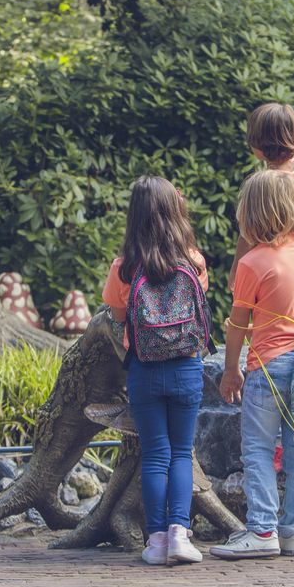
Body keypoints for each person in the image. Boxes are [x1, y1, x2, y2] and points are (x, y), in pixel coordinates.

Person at [212, 169, 294, 560]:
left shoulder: (253, 263)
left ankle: (261, 530)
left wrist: (231, 369)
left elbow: (238, 323)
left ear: (250, 213)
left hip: (268, 368)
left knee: (257, 449)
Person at [102, 177, 210, 566]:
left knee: (155, 454)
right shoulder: (194, 262)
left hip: (144, 371)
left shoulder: (124, 268)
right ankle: (181, 534)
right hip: (186, 367)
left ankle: (157, 540)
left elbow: (117, 316)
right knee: (182, 451)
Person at [227, 103, 294, 288]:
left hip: (269, 262)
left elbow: (247, 233)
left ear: (261, 145)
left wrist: (235, 273)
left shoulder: (265, 186)